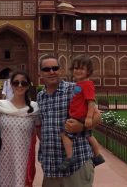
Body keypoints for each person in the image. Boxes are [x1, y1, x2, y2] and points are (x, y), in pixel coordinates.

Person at [37, 55, 100, 187]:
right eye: (46, 69)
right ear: (40, 72)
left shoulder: (75, 89)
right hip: (51, 166)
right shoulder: (40, 96)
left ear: (60, 70)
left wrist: (82, 126)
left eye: (55, 68)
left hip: (77, 166)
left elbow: (98, 116)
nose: (51, 72)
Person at [59, 55, 105, 171]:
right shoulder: (78, 85)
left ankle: (70, 157)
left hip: (80, 117)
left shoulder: (87, 85)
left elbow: (91, 102)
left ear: (88, 71)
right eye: (75, 68)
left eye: (81, 69)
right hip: (78, 115)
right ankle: (98, 155)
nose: (78, 71)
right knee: (89, 136)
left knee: (65, 134)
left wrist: (89, 117)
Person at [0, 71, 39, 187]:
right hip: (3, 158)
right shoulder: (0, 106)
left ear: (28, 86)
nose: (19, 86)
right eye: (16, 83)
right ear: (11, 85)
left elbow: (40, 133)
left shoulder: (34, 108)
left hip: (23, 158)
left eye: (23, 83)